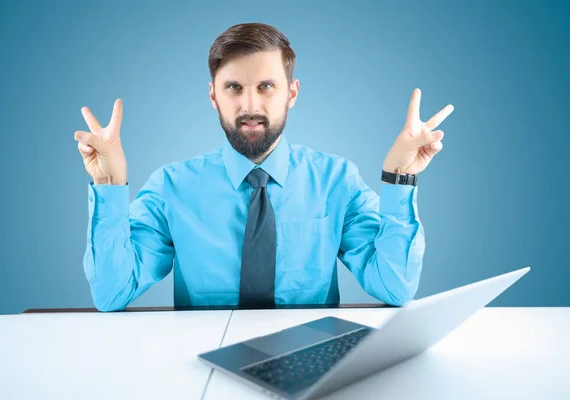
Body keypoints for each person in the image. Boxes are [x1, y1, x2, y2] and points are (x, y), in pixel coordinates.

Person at [73, 22, 453, 312]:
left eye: (266, 87)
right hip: (198, 365)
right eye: (234, 87)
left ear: (292, 93)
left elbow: (394, 286)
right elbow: (112, 293)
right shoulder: (171, 187)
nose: (250, 106)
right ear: (213, 96)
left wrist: (400, 179)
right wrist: (108, 183)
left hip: (308, 368)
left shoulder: (338, 181)